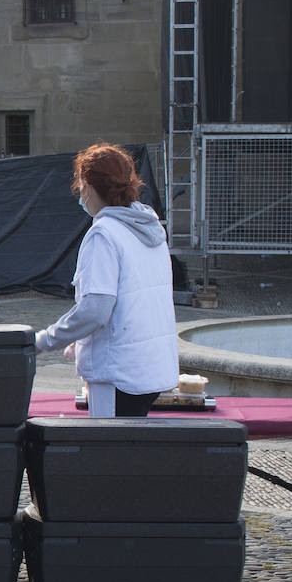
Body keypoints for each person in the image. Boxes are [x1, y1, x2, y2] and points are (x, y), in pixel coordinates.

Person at [34, 143, 178, 417]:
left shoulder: (104, 234)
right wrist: (84, 339)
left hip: (118, 373)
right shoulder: (149, 228)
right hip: (150, 368)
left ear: (86, 186)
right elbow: (137, 301)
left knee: (109, 454)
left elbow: (95, 311)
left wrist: (46, 340)